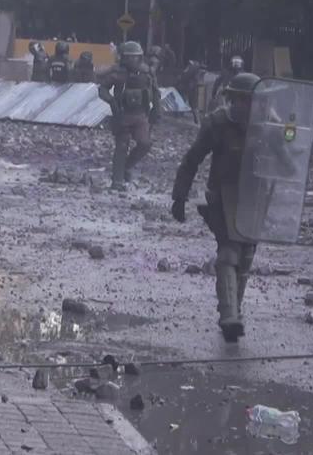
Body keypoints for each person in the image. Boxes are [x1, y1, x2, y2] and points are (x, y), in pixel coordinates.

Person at [170, 72, 265, 343]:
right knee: (228, 254)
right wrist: (180, 197)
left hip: (253, 199)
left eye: (246, 100)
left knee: (245, 257)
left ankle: (234, 312)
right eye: (235, 99)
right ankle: (229, 317)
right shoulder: (217, 124)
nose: (240, 106)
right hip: (222, 198)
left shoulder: (267, 125)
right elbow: (192, 160)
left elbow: (285, 164)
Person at [97, 41, 160, 191]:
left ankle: (126, 167)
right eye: (129, 58)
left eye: (135, 57)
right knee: (121, 147)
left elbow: (155, 93)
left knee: (145, 144)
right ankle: (117, 181)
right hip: (123, 115)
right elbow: (102, 89)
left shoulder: (147, 73)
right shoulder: (118, 73)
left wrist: (157, 112)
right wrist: (111, 100)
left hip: (141, 115)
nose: (132, 61)